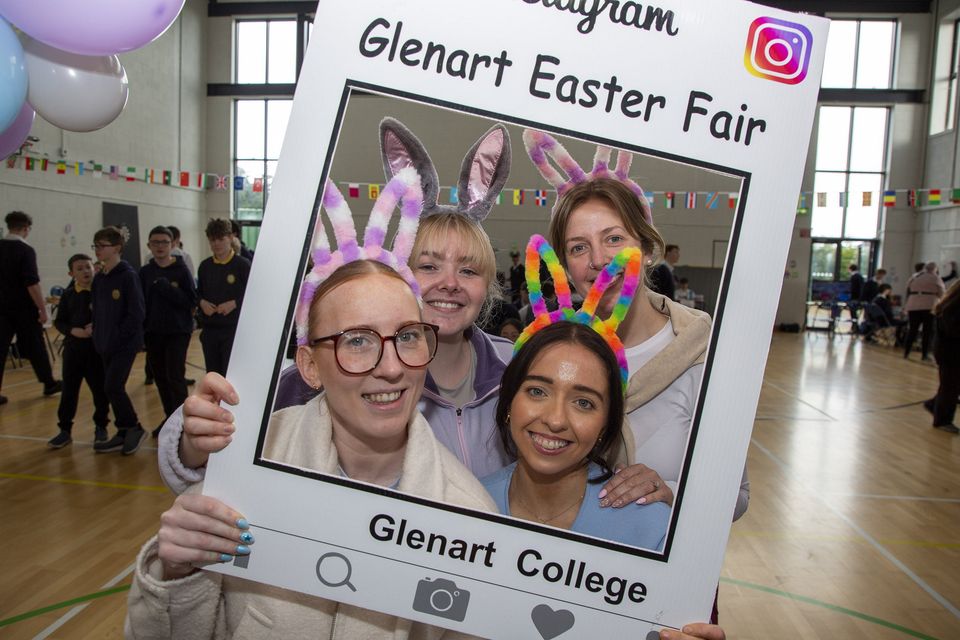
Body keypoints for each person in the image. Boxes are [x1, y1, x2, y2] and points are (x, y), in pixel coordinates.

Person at [90, 226, 147, 455]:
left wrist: (118, 336)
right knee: (111, 388)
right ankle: (123, 430)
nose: (97, 250)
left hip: (124, 344)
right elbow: (96, 312)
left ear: (117, 248)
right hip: (104, 343)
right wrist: (98, 336)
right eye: (95, 246)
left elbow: (136, 313)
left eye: (102, 246)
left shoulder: (128, 276)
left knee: (112, 386)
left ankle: (134, 427)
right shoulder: (99, 279)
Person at [47, 254, 111, 448]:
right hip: (73, 351)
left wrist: (97, 326)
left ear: (94, 268)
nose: (85, 271)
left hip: (95, 351)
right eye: (80, 268)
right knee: (69, 391)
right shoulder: (68, 295)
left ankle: (101, 427)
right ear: (71, 273)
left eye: (88, 267)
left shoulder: (102, 292)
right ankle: (65, 430)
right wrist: (72, 331)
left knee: (100, 392)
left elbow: (112, 317)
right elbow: (59, 322)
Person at [140, 226, 197, 437]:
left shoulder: (181, 270)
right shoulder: (145, 272)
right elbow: (140, 303)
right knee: (161, 378)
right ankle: (169, 418)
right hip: (153, 333)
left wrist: (167, 288)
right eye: (155, 242)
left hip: (178, 331)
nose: (160, 246)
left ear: (172, 245)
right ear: (149, 246)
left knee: (175, 376)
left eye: (164, 242)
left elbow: (190, 301)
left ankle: (184, 422)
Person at [0, 210, 61, 404]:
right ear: (26, 228)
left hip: (1, 308)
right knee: (36, 346)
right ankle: (48, 382)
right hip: (23, 308)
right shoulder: (25, 250)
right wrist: (42, 308)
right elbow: (32, 283)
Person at [197, 219, 251, 376]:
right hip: (210, 330)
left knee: (231, 375)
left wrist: (234, 303)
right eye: (213, 240)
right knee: (213, 375)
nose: (217, 244)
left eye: (221, 239)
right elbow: (198, 293)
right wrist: (201, 302)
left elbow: (253, 296)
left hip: (233, 331)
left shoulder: (243, 265)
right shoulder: (205, 266)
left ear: (231, 237)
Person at [924, 281, 960, 433]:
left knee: (951, 385)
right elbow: (953, 330)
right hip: (950, 353)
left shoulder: (949, 305)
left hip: (949, 351)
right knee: (950, 386)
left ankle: (934, 404)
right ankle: (942, 420)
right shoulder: (952, 308)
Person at [903, 261, 945, 361]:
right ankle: (924, 354)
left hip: (913, 305)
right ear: (935, 269)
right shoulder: (936, 278)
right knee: (928, 331)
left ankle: (906, 352)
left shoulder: (915, 277)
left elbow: (907, 290)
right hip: (929, 306)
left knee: (912, 330)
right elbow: (942, 293)